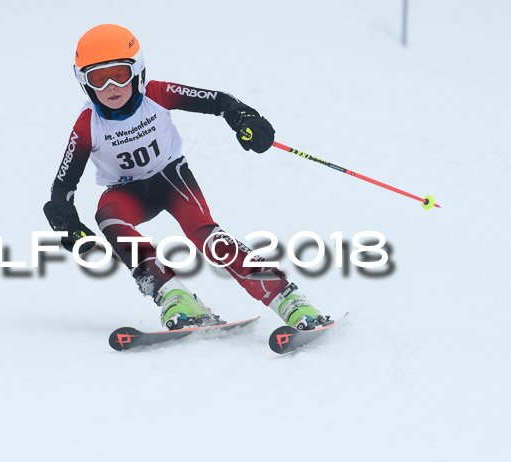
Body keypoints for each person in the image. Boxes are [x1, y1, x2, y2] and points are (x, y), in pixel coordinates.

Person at [44, 24, 330, 331]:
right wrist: (66, 221)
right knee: (109, 218)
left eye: (120, 74)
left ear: (137, 72)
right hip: (127, 193)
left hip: (171, 179)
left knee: (205, 237)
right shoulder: (87, 125)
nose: (111, 86)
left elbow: (219, 101)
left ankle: (287, 299)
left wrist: (243, 118)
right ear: (85, 84)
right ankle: (174, 296)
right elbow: (63, 185)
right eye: (99, 79)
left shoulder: (156, 94)